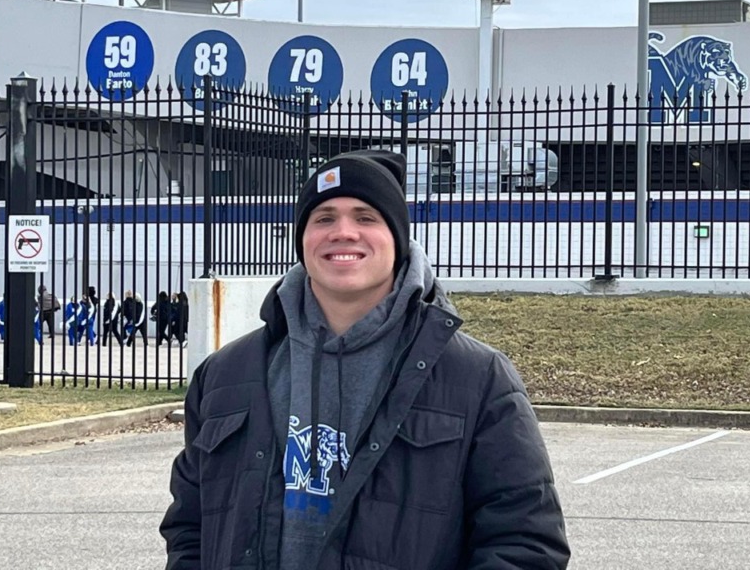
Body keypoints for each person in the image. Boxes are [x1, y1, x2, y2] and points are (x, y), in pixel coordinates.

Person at [161, 150, 570, 569]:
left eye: (365, 217)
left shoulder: (478, 379)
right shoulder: (226, 374)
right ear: (302, 239)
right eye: (323, 218)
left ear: (397, 237)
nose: (343, 232)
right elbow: (189, 527)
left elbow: (525, 543)